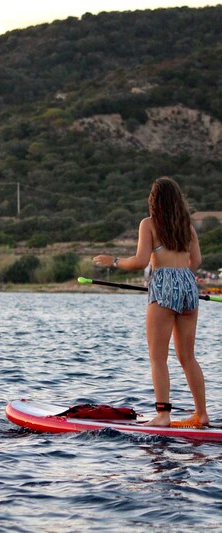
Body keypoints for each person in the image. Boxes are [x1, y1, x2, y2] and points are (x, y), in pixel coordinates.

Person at [93, 177, 209, 428]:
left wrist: (112, 261)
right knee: (188, 358)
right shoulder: (187, 226)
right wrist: (179, 270)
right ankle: (202, 415)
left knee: (158, 358)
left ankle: (163, 415)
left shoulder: (149, 224)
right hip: (189, 287)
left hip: (164, 288)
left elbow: (140, 261)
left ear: (153, 201)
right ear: (178, 200)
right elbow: (196, 262)